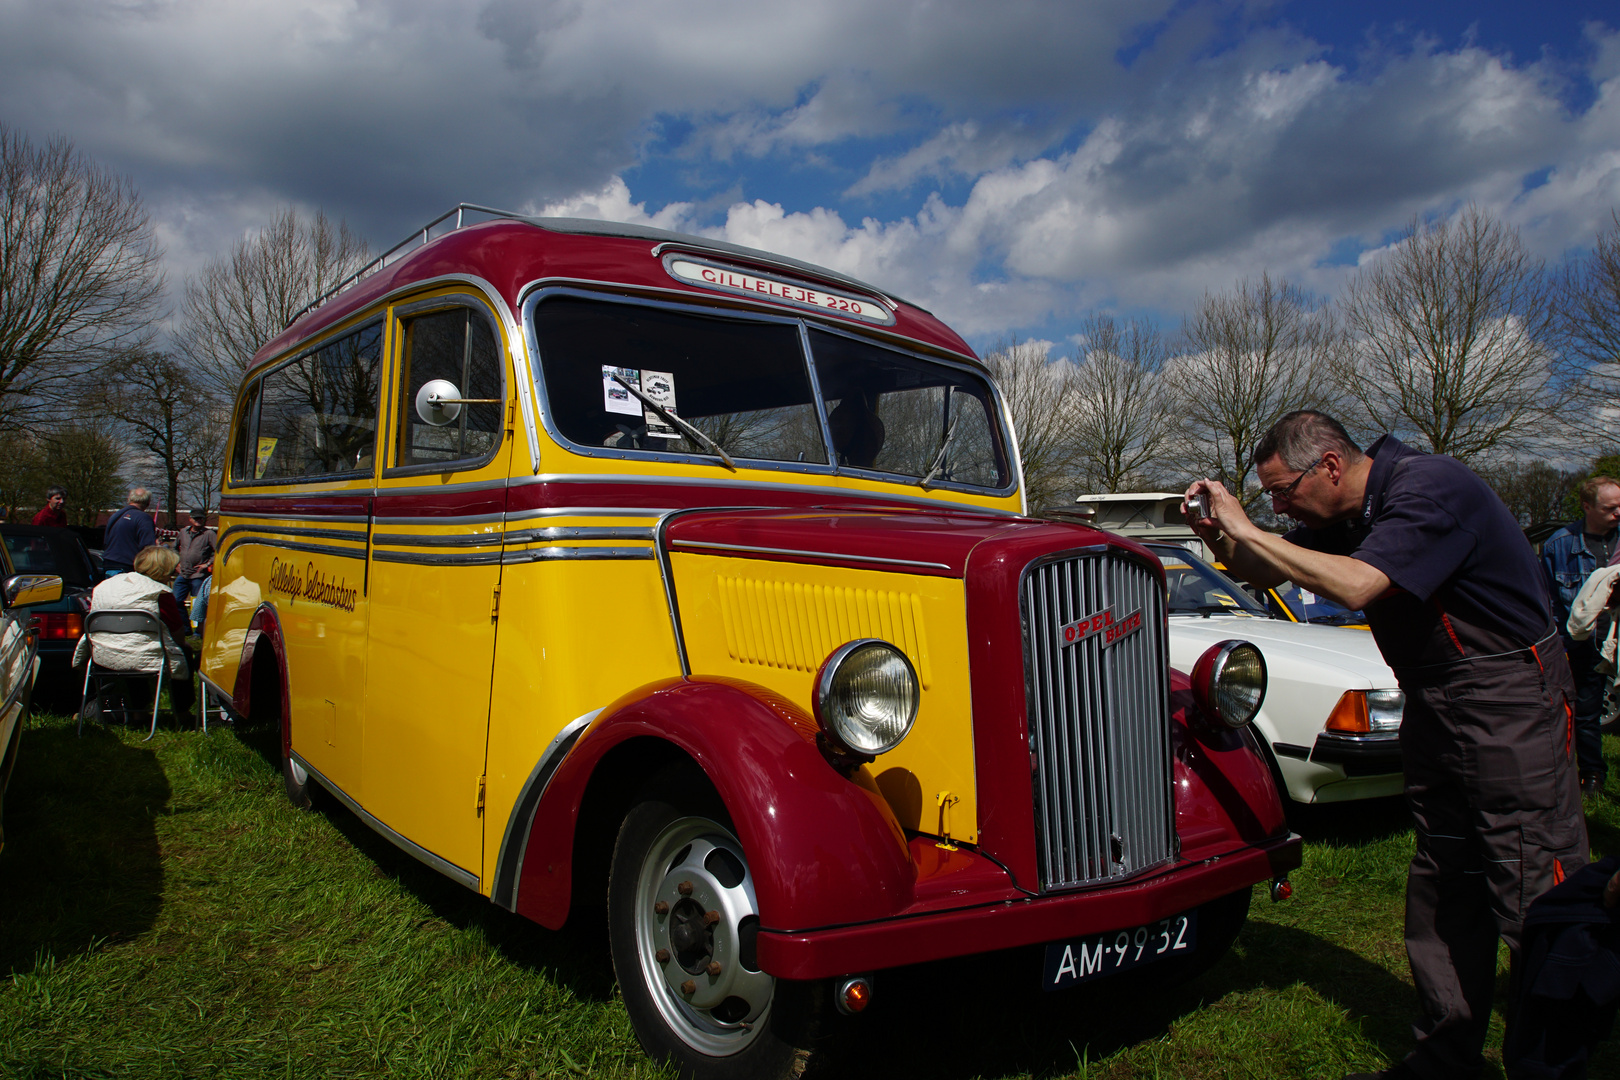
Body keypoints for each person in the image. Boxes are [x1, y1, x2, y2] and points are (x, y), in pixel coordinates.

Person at [1182, 411, 1587, 1080]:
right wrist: (1223, 537)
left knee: (1532, 874)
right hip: (1437, 697)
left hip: (1507, 699)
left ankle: (1553, 1060)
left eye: (1283, 491)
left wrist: (1248, 527)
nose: (1279, 506)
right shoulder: (1351, 510)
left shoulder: (1429, 490)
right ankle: (1445, 1054)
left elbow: (1358, 584)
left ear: (1331, 467)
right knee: (1445, 874)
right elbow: (1275, 568)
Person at [1540, 475, 1620, 796]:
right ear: (1587, 507)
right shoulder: (1559, 545)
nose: (1618, 513)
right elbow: (1548, 602)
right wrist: (1561, 645)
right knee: (1586, 713)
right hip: (1584, 644)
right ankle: (1591, 775)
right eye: (1610, 508)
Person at [73, 543, 195, 721]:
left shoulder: (105, 586)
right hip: (143, 655)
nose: (174, 573)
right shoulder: (160, 593)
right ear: (163, 570)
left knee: (131, 648)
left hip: (103, 655)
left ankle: (138, 711)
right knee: (182, 651)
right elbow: (178, 636)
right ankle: (182, 713)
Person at [173, 508, 217, 621]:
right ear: (190, 519)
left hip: (198, 576)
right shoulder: (183, 532)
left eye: (201, 518)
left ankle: (197, 631)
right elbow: (173, 548)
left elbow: (218, 551)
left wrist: (207, 564)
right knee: (176, 600)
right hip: (183, 574)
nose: (198, 520)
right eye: (196, 518)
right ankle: (185, 628)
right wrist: (176, 563)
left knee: (197, 604)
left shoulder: (209, 534)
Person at [102, 488, 156, 576]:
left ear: (129, 499)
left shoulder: (115, 516)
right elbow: (148, 548)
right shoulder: (143, 518)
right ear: (147, 503)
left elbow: (106, 540)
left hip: (108, 563)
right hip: (127, 567)